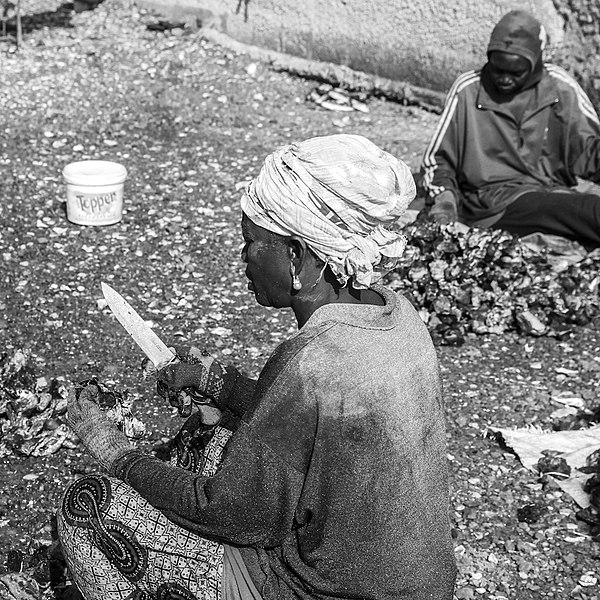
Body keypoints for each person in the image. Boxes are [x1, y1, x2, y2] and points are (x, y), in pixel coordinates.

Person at [58, 134, 457, 600]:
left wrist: (116, 453)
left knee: (85, 504)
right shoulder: (398, 316)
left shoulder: (311, 361)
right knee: (208, 437)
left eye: (251, 242)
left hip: (332, 591)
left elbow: (232, 515)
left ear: (297, 255)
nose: (243, 258)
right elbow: (322, 427)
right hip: (420, 582)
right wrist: (218, 384)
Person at [421, 9, 600, 247]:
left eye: (516, 73)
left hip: (552, 191)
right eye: (498, 70)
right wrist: (444, 202)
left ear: (536, 64)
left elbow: (590, 151)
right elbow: (437, 161)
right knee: (591, 213)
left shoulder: (559, 87)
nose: (504, 79)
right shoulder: (468, 89)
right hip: (494, 202)